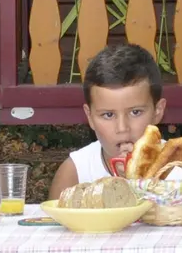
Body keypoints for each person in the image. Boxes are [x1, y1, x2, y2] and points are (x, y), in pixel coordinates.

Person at [47, 44, 167, 199]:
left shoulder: (181, 170)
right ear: (90, 117)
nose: (122, 128)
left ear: (157, 111)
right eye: (108, 115)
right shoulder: (75, 173)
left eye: (135, 112)